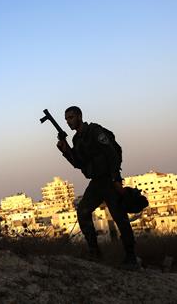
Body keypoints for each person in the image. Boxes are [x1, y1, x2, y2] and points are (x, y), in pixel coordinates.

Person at [56, 106, 138, 269]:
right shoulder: (76, 140)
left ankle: (131, 257)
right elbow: (78, 163)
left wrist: (115, 179)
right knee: (83, 211)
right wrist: (65, 150)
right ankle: (94, 252)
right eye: (66, 119)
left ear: (79, 116)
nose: (68, 122)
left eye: (71, 117)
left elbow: (112, 154)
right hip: (96, 183)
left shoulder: (94, 131)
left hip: (109, 180)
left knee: (119, 217)